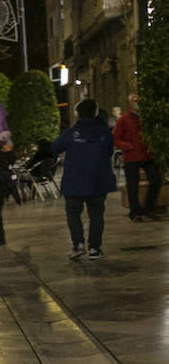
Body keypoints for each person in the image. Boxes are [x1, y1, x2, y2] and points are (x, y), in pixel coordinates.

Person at [53, 98, 116, 260]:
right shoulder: (105, 133)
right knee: (96, 215)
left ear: (77, 114)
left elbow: (54, 148)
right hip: (98, 182)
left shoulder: (70, 134)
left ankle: (78, 245)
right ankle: (95, 248)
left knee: (73, 213)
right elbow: (110, 152)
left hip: (75, 183)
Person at [113, 93, 162, 222]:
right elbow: (115, 139)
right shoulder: (123, 119)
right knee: (132, 185)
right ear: (129, 103)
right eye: (133, 100)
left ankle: (148, 208)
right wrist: (128, 146)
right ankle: (135, 212)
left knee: (156, 180)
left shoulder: (147, 118)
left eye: (138, 100)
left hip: (147, 155)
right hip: (132, 156)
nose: (136, 102)